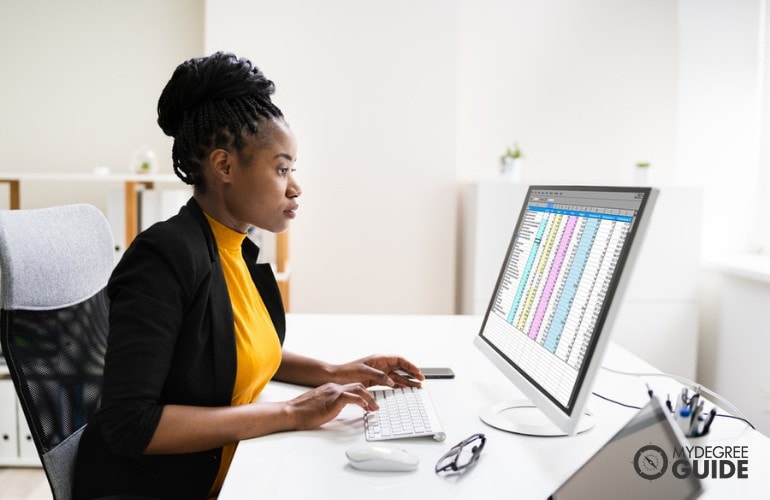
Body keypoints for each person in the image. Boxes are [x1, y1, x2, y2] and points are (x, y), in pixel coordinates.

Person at [73, 51, 424, 499]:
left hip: (233, 467)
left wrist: (334, 371)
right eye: (281, 169)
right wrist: (291, 413)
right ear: (224, 166)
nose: (295, 186)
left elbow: (234, 353)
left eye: (292, 170)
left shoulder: (237, 250)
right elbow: (130, 424)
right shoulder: (164, 257)